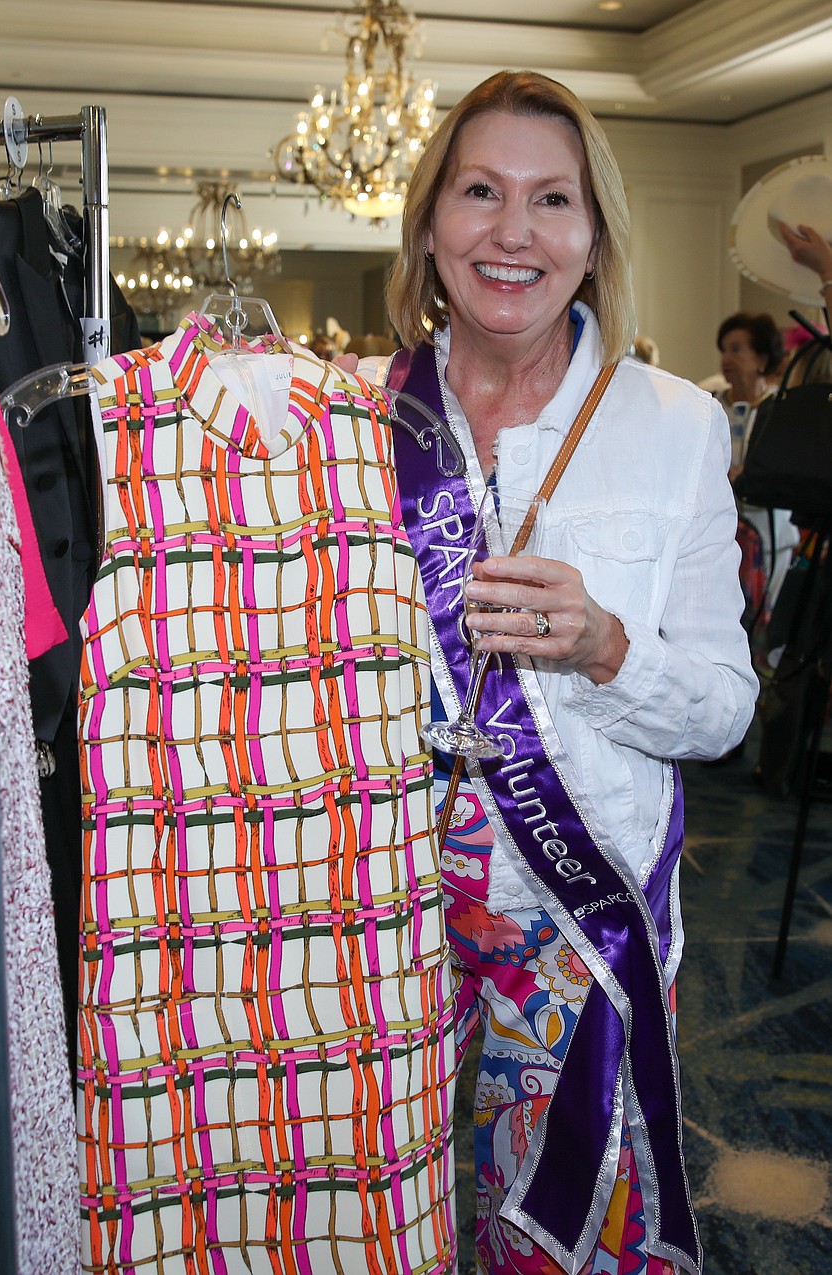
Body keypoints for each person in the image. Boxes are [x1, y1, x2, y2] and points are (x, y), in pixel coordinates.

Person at [358, 70, 757, 1275]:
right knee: (366, 1216)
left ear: (593, 236)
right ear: (430, 223)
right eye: (480, 192)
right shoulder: (349, 421)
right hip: (376, 896)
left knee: (568, 1237)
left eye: (551, 199)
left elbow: (725, 709)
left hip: (576, 915)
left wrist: (606, 649)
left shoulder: (676, 425)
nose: (513, 232)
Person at [713, 312, 799, 622]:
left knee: (763, 623)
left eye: (736, 349)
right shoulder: (710, 406)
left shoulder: (784, 411)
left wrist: (755, 477)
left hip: (772, 536)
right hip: (721, 538)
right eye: (724, 350)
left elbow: (793, 473)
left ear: (762, 358)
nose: (726, 358)